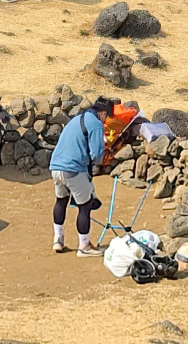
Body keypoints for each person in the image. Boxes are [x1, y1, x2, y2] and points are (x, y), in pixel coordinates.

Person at [49, 96, 114, 256]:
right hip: (73, 169)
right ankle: (84, 246)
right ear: (103, 114)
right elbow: (97, 155)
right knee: (85, 206)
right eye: (108, 117)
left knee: (61, 201)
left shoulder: (77, 119)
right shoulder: (97, 124)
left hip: (55, 167)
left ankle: (58, 239)